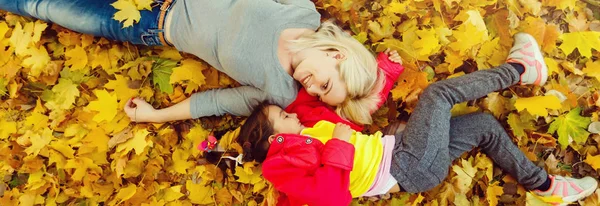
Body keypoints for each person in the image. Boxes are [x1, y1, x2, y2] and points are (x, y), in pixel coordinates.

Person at [219, 33, 598, 206]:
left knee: (483, 125)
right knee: (438, 94)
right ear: (274, 138)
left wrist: (384, 69)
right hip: (407, 166)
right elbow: (331, 197)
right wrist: (336, 143)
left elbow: (356, 112)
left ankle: (546, 186)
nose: (293, 115)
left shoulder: (310, 126)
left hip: (404, 153)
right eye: (284, 117)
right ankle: (520, 69)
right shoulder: (283, 167)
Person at [0, 0, 390, 125]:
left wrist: (155, 116)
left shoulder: (279, 91)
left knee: (45, 4)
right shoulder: (300, 12)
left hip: (152, 23)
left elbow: (216, 102)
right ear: (336, 55)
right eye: (325, 83)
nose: (312, 89)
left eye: (319, 95)